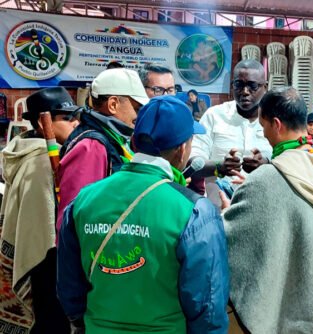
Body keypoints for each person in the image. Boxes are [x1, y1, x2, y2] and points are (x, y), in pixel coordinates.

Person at [57, 95, 229, 333]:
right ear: (182, 149)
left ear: (135, 143)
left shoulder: (84, 200)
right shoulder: (195, 211)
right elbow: (207, 308)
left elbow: (69, 289)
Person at [223, 87, 313, 333]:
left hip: (283, 306)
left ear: (276, 124)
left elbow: (233, 241)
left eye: (263, 127)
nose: (264, 134)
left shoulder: (266, 179)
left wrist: (226, 212)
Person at [0, 87, 80, 334]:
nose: (75, 122)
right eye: (66, 118)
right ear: (41, 122)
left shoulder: (25, 149)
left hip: (38, 254)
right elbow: (42, 229)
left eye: (75, 116)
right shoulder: (41, 162)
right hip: (44, 261)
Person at [57, 68, 149, 232]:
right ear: (113, 104)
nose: (138, 115)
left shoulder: (114, 139)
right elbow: (75, 215)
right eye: (136, 107)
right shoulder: (91, 147)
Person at [190, 60, 271, 197]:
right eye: (239, 85)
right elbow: (193, 162)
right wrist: (218, 167)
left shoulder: (275, 121)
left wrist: (266, 165)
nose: (245, 92)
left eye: (252, 86)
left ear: (265, 87)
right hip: (217, 209)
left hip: (262, 205)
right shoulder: (214, 116)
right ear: (232, 86)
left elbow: (290, 165)